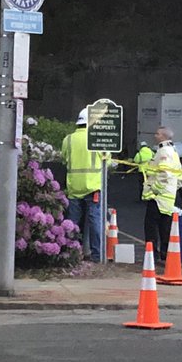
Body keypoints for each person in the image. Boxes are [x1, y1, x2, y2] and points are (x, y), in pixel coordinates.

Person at [61, 109, 106, 262]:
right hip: (92, 186)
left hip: (74, 186)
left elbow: (64, 158)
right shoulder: (96, 138)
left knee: (73, 222)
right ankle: (96, 256)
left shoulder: (68, 139)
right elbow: (107, 157)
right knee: (95, 221)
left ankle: (72, 253)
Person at [140, 126, 182, 264]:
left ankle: (152, 257)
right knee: (165, 229)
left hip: (158, 198)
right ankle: (165, 256)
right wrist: (172, 190)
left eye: (157, 133)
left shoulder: (164, 151)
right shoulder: (173, 152)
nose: (155, 135)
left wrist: (155, 190)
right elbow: (179, 177)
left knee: (151, 228)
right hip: (168, 198)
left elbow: (164, 174)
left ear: (164, 136)